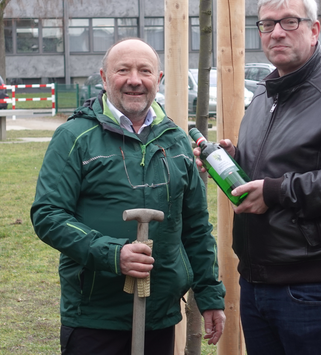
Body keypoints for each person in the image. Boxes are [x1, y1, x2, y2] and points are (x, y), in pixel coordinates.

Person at [196, 0, 321, 354]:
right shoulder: (267, 92)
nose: (277, 32)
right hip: (256, 282)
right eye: (267, 25)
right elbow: (276, 166)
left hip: (313, 287)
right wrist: (235, 161)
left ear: (315, 31)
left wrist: (276, 192)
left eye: (289, 22)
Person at [31, 38, 226, 354]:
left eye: (145, 71)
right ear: (104, 77)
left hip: (159, 316)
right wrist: (112, 254)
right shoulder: (75, 137)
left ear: (158, 80)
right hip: (95, 319)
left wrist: (209, 296)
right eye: (123, 70)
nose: (135, 80)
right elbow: (48, 214)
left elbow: (196, 229)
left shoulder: (175, 142)